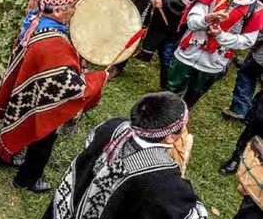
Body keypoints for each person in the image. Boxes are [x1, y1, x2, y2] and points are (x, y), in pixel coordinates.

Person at [0, 0, 107, 194]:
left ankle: (2, 156)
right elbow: (72, 88)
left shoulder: (35, 20)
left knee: (16, 116)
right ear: (59, 10)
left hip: (27, 85)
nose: (74, 12)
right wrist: (99, 77)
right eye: (72, 8)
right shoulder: (54, 45)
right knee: (43, 134)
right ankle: (26, 179)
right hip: (44, 97)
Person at [44, 92, 208, 218]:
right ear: (170, 137)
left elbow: (90, 143)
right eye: (184, 125)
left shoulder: (113, 125)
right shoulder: (163, 179)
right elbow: (192, 214)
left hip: (67, 207)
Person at [168, 0, 263, 109]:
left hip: (213, 63)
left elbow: (247, 41)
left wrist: (220, 36)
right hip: (186, 54)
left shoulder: (256, 9)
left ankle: (182, 120)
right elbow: (192, 21)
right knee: (170, 92)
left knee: (192, 97)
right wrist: (207, 18)